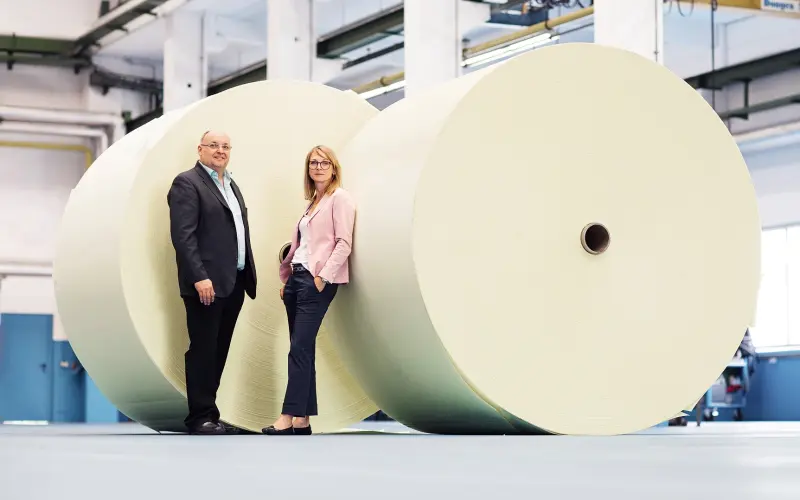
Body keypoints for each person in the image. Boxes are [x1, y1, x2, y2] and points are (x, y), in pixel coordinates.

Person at [167, 130, 257, 435]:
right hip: (206, 283)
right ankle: (199, 417)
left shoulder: (231, 184)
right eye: (214, 145)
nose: (220, 150)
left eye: (226, 146)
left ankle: (211, 413)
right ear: (200, 149)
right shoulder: (187, 183)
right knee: (203, 349)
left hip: (234, 281)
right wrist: (199, 277)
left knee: (219, 350)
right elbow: (183, 236)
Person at [263, 145, 355, 436]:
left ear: (334, 168)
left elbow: (344, 243)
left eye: (324, 162)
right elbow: (304, 245)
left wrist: (323, 278)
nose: (318, 167)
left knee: (299, 348)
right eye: (313, 163)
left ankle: (287, 415)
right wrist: (288, 281)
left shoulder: (340, 199)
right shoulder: (314, 202)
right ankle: (302, 420)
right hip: (296, 280)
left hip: (316, 282)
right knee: (303, 349)